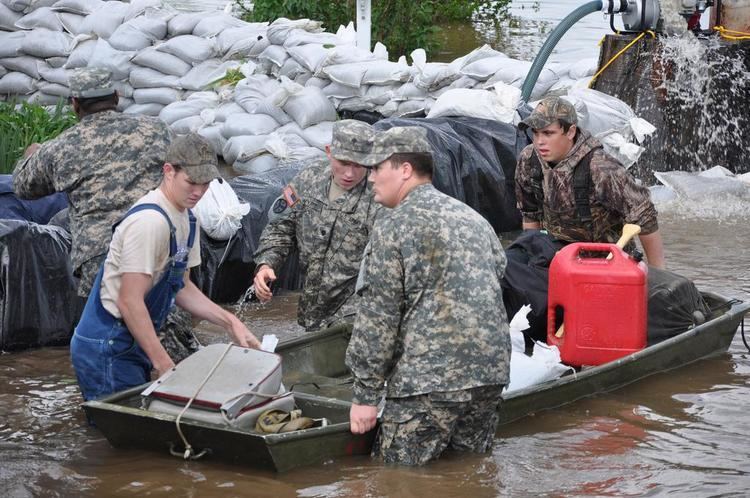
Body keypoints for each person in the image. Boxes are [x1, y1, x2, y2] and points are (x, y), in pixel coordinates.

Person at [346, 126, 511, 466]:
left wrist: (364, 396)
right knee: (469, 474)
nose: (370, 177)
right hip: (489, 378)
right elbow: (498, 277)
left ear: (404, 170)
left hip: (426, 385)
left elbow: (378, 318)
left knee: (397, 481)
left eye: (377, 167)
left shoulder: (393, 226)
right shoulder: (473, 219)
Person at [13, 67, 198, 362]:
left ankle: (124, 400)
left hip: (100, 260)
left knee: (112, 344)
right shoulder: (155, 130)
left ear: (74, 104)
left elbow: (23, 186)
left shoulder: (61, 148)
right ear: (116, 96)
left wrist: (31, 154)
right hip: (155, 245)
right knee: (166, 325)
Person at [70, 133, 261, 401]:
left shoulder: (188, 220)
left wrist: (230, 322)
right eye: (191, 183)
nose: (198, 192)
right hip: (107, 345)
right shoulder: (150, 222)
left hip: (134, 339)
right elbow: (129, 301)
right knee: (123, 431)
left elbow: (182, 286)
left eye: (205, 184)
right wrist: (164, 364)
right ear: (169, 171)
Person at [506, 96, 666, 341]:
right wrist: (530, 255)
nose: (540, 141)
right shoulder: (529, 159)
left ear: (570, 131)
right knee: (508, 266)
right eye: (536, 133)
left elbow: (645, 216)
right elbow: (530, 215)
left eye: (548, 133)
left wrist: (657, 279)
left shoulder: (600, 168)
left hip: (602, 259)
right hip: (555, 251)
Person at [252, 119, 379, 331]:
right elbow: (281, 226)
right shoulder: (309, 178)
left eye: (359, 165)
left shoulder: (379, 197)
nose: (349, 173)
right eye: (343, 162)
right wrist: (266, 264)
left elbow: (385, 272)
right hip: (312, 309)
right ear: (329, 152)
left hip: (354, 319)